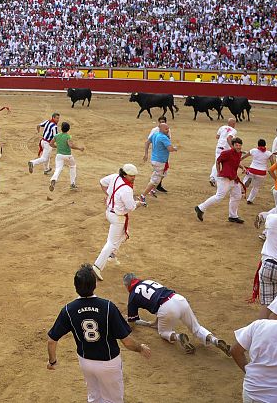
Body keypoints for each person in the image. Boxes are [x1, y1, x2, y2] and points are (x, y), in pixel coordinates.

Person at [46, 264, 151, 403]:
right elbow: (126, 341)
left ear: (75, 286)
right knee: (113, 400)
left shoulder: (68, 310)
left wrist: (52, 361)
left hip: (86, 362)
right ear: (94, 285)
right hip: (109, 362)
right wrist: (140, 348)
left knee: (94, 397)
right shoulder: (108, 307)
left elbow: (52, 340)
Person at [122, 273, 231, 356]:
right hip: (179, 299)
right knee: (196, 328)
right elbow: (157, 297)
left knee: (163, 332)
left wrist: (127, 321)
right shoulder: (147, 281)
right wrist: (153, 323)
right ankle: (214, 340)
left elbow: (132, 324)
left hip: (166, 309)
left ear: (127, 285)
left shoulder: (132, 296)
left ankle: (179, 337)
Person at [91, 164, 145, 281]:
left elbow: (102, 182)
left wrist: (110, 197)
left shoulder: (115, 177)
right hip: (118, 218)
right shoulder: (127, 189)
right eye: (131, 175)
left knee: (123, 235)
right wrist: (138, 204)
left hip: (109, 212)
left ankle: (112, 255)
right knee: (111, 243)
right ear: (124, 174)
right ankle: (97, 266)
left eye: (134, 175)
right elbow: (131, 207)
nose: (133, 178)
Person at [195, 137, 248, 223]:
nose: (238, 147)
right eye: (236, 145)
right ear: (232, 145)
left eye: (240, 145)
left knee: (237, 196)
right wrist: (218, 172)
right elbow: (218, 161)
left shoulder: (239, 153)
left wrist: (242, 167)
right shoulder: (226, 153)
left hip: (233, 178)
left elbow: (236, 162)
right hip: (224, 178)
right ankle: (200, 208)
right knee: (219, 197)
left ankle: (233, 216)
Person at [49, 122, 84, 191]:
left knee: (58, 168)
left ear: (61, 128)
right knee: (73, 166)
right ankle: (72, 184)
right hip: (68, 156)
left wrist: (57, 146)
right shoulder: (68, 136)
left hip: (59, 155)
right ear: (68, 129)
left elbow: (51, 144)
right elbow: (71, 145)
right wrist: (79, 148)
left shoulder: (57, 136)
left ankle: (54, 179)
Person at [142, 116, 171, 194]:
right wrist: (146, 154)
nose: (162, 123)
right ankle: (150, 189)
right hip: (158, 156)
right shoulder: (155, 131)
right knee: (157, 174)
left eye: (163, 122)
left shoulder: (167, 130)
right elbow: (148, 142)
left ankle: (155, 187)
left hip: (163, 156)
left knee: (163, 172)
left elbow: (168, 142)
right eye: (160, 122)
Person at [242, 139, 274, 204]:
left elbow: (243, 157)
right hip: (261, 173)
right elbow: (273, 164)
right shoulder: (269, 153)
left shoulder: (253, 150)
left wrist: (238, 160)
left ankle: (246, 182)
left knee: (246, 178)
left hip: (252, 170)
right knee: (256, 187)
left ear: (258, 145)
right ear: (265, 145)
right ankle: (250, 200)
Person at [210, 118, 238, 186]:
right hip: (226, 149)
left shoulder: (222, 127)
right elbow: (229, 138)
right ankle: (222, 177)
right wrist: (232, 147)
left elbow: (217, 136)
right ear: (233, 124)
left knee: (217, 162)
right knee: (227, 163)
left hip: (219, 147)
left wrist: (222, 137)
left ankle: (213, 177)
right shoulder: (233, 130)